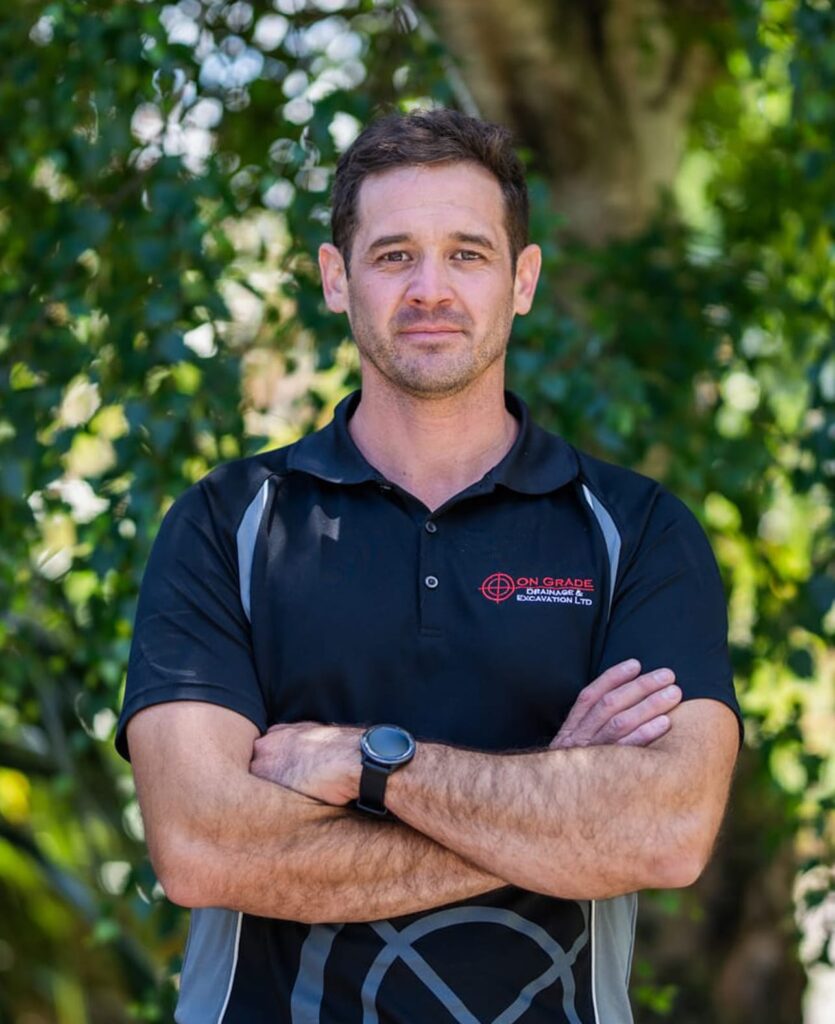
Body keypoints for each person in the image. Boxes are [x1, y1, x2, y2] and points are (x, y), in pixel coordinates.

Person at [116, 109, 741, 1024]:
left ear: (522, 281)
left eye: (468, 254)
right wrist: (557, 803)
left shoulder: (636, 531)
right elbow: (202, 849)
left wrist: (364, 766)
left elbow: (666, 832)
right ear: (337, 280)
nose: (430, 289)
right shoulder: (226, 525)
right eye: (394, 254)